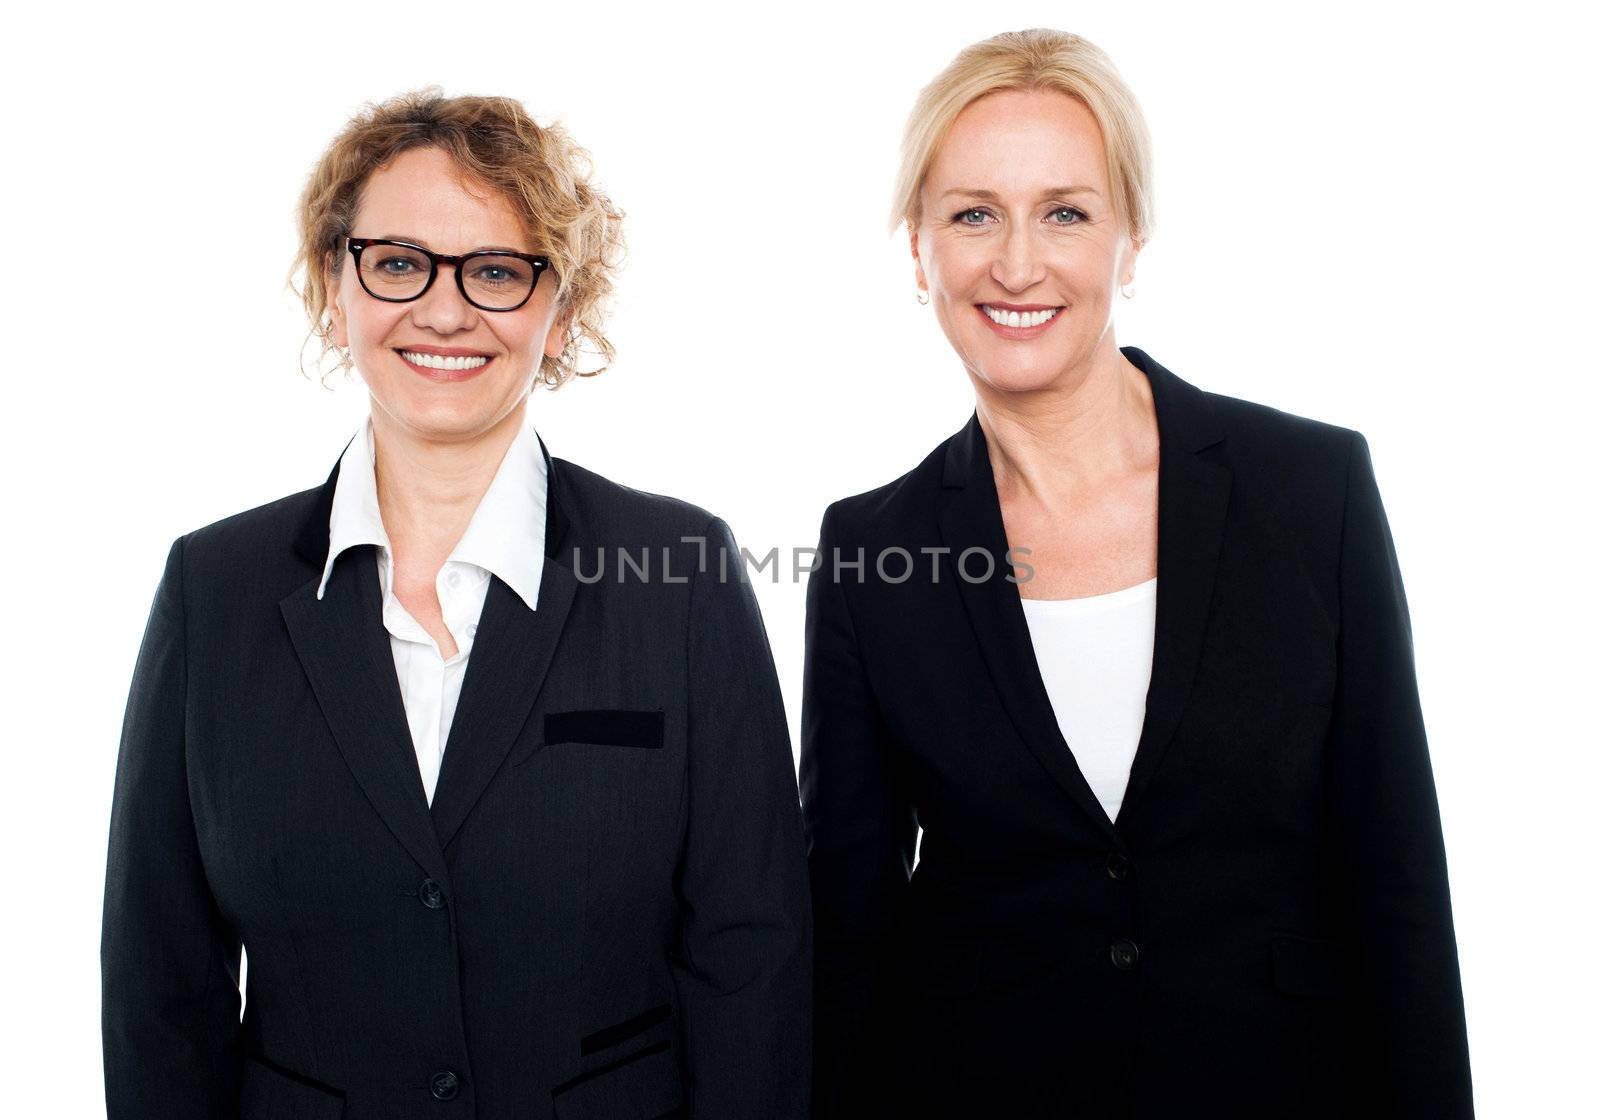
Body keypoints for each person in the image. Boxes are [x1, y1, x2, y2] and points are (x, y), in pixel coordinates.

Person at [801, 29, 1472, 1119]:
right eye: (973, 212)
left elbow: (1396, 878)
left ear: (1131, 240)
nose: (1017, 262)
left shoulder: (1309, 490)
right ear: (918, 249)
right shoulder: (871, 552)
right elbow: (849, 928)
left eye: (1066, 210)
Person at [101, 88, 810, 1119]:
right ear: (332, 288)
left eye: (495, 271)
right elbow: (159, 981)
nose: (443, 310)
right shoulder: (215, 591)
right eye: (398, 263)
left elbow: (753, 958)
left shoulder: (681, 571)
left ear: (560, 312)